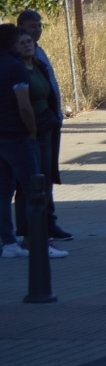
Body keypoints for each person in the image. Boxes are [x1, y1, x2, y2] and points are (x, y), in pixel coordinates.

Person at [0, 26, 55, 260]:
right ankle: (37, 242)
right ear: (12, 45)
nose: (27, 44)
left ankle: (8, 242)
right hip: (18, 136)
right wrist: (32, 131)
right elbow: (24, 105)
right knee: (35, 189)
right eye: (21, 41)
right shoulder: (16, 68)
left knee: (3, 192)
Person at [15, 10, 69, 241]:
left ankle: (47, 223)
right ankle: (30, 230)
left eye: (39, 26)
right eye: (30, 27)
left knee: (45, 177)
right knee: (32, 181)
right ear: (20, 29)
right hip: (30, 129)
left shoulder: (39, 53)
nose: (36, 31)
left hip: (49, 124)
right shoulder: (16, 62)